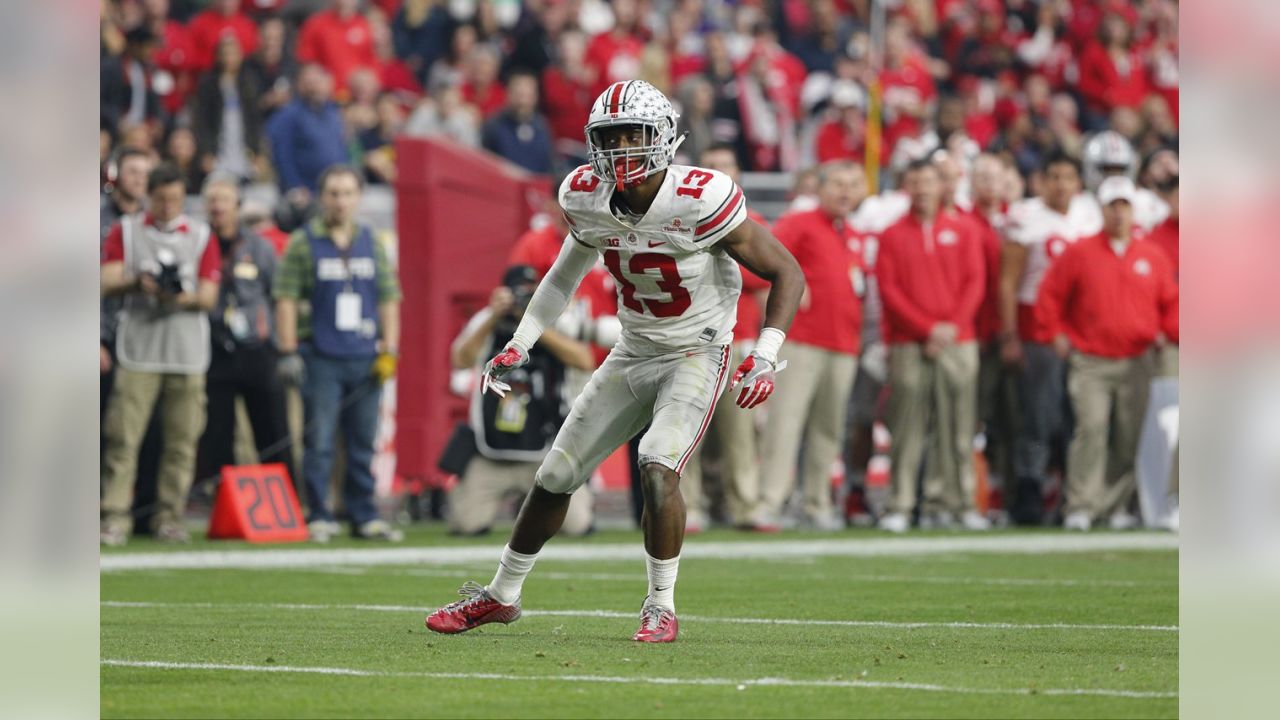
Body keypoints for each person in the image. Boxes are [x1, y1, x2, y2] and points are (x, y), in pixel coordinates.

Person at [425, 80, 805, 643]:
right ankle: (502, 596)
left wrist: (767, 354)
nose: (624, 148)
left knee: (657, 463)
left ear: (665, 139)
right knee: (554, 474)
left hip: (696, 349)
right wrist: (523, 340)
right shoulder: (583, 193)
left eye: (636, 135)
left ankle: (661, 605)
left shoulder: (700, 196)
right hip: (633, 350)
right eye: (612, 136)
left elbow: (786, 272)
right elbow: (562, 276)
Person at [1036, 176, 1178, 531]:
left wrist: (1170, 332)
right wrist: (1054, 333)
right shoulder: (1080, 252)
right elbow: (1050, 294)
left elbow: (1171, 302)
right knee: (1092, 428)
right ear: (1101, 209)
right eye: (1112, 205)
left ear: (1133, 210)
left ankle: (1114, 506)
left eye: (1124, 205)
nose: (1118, 213)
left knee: (1128, 435)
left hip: (1138, 358)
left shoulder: (1152, 255)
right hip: (1091, 359)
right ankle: (1081, 505)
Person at [273, 165, 403, 543]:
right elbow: (285, 297)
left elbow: (389, 297)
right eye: (333, 193)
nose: (341, 201)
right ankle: (320, 513)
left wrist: (390, 349)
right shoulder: (303, 241)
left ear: (358, 198)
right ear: (321, 197)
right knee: (321, 440)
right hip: (321, 354)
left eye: (348, 193)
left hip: (364, 355)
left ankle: (364, 514)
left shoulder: (371, 240)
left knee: (363, 440)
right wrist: (287, 350)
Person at [100, 164, 222, 545]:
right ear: (149, 197)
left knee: (182, 442)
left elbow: (208, 296)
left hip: (186, 352)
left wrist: (179, 296)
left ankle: (169, 516)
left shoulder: (201, 235)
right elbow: (105, 281)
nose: (168, 206)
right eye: (161, 198)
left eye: (174, 198)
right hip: (139, 350)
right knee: (123, 439)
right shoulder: (127, 231)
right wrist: (139, 282)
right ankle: (113, 515)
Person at [875, 160, 986, 533]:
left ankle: (961, 503)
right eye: (915, 182)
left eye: (929, 182)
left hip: (958, 341)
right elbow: (889, 291)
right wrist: (927, 329)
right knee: (907, 428)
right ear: (906, 187)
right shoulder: (891, 235)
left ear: (943, 186)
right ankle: (900, 505)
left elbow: (975, 282)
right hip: (910, 342)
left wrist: (950, 327)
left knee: (959, 427)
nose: (922, 189)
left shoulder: (965, 229)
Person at [758, 161, 867, 531]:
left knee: (829, 429)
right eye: (837, 183)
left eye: (852, 184)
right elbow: (765, 260)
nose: (845, 191)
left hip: (843, 345)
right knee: (785, 424)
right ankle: (770, 501)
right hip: (802, 341)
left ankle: (818, 502)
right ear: (819, 188)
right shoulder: (801, 223)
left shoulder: (854, 233)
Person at [447, 266, 596, 536]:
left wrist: (532, 325)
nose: (522, 298)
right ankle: (515, 503)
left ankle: (530, 504)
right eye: (517, 293)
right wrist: (495, 315)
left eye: (530, 293)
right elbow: (460, 360)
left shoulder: (554, 320)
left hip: (542, 454)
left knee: (577, 524)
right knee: (467, 524)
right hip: (491, 452)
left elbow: (584, 360)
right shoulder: (487, 320)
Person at [999, 152, 1099, 525]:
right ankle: (1029, 492)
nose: (1060, 184)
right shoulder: (1027, 217)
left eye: (1067, 177)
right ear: (1041, 181)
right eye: (1053, 176)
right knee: (1038, 417)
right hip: (1037, 328)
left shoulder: (1089, 214)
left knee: (1078, 418)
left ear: (1078, 182)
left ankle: (1072, 495)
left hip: (1084, 330)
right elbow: (1009, 282)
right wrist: (1010, 335)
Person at [680, 144, 774, 533]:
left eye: (726, 165)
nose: (720, 172)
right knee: (686, 429)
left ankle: (745, 506)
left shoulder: (754, 220)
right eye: (713, 166)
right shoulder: (684, 218)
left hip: (740, 339)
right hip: (693, 338)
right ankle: (687, 508)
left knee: (741, 433)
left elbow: (765, 275)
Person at [195, 177, 296, 489]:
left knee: (273, 428)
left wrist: (283, 347)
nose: (218, 206)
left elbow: (279, 296)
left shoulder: (259, 247)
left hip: (256, 347)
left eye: (224, 199)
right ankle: (220, 498)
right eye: (212, 200)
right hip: (212, 346)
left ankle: (286, 497)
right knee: (217, 431)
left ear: (238, 206)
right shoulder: (197, 243)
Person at [265, 64, 350, 207]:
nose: (314, 88)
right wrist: (294, 185)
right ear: (299, 85)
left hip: (335, 192)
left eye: (317, 82)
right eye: (309, 83)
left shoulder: (334, 113)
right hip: (305, 195)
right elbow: (282, 154)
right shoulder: (288, 115)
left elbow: (342, 149)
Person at [480, 71, 554, 175]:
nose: (522, 102)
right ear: (508, 95)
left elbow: (548, 165)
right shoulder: (493, 125)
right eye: (519, 95)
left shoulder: (542, 126)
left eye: (527, 96)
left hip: (536, 186)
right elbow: (484, 163)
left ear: (535, 97)